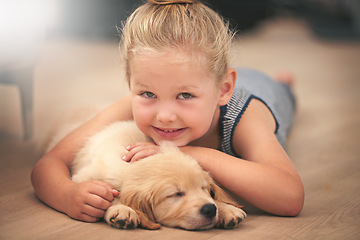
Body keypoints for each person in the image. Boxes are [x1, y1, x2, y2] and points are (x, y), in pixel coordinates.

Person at [31, 0, 304, 223]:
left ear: (223, 90)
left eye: (185, 95)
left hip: (262, 90)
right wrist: (67, 195)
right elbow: (48, 165)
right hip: (211, 76)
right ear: (130, 85)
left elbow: (290, 197)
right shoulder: (133, 105)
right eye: (148, 94)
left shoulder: (245, 117)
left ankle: (285, 83)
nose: (164, 116)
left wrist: (189, 153)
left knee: (282, 92)